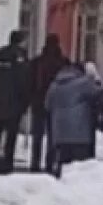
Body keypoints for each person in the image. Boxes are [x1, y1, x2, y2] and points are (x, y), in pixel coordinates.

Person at [44, 63, 103, 177]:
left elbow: (47, 105)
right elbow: (101, 93)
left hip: (60, 133)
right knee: (80, 170)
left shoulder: (54, 85)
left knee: (63, 166)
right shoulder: (84, 83)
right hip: (80, 133)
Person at [0, 31, 30, 175]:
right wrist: (25, 101)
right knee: (11, 135)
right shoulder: (20, 57)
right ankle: (7, 163)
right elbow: (23, 80)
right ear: (20, 41)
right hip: (14, 102)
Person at [29, 35, 69, 174]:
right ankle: (50, 163)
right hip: (57, 104)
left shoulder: (37, 62)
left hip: (39, 101)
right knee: (54, 135)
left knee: (37, 135)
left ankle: (35, 162)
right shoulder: (63, 63)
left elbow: (30, 83)